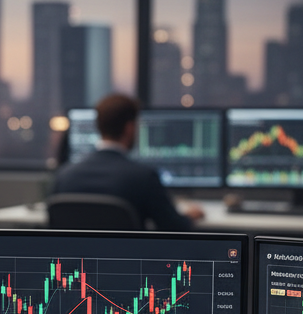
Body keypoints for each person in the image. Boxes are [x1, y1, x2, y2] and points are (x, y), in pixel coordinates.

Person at [53, 93, 204, 230]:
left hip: (79, 259)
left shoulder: (64, 176)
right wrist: (191, 216)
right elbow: (174, 227)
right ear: (129, 128)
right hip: (126, 259)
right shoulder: (144, 177)